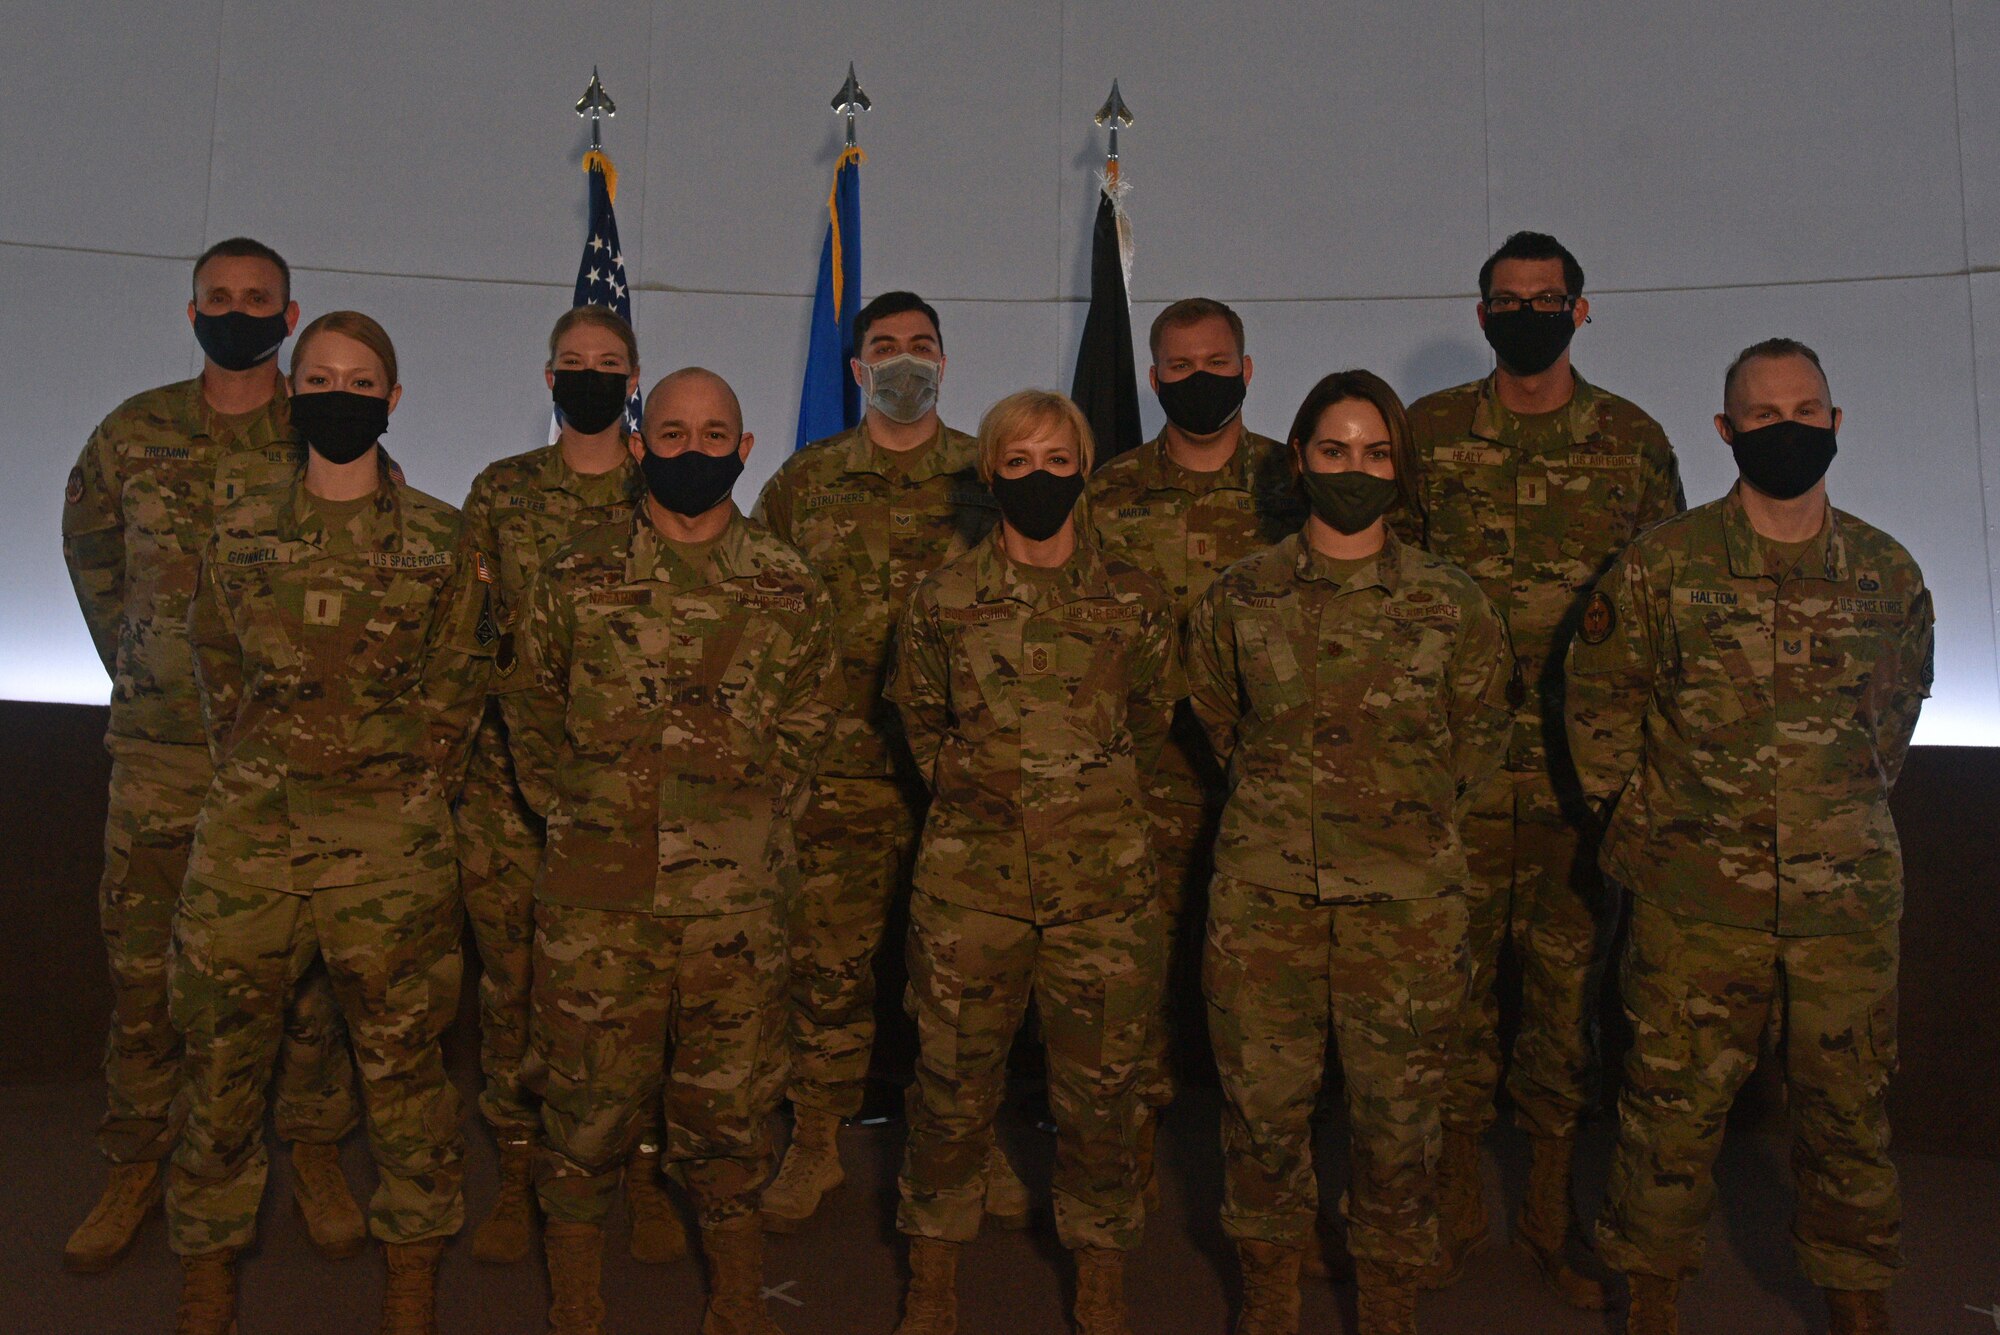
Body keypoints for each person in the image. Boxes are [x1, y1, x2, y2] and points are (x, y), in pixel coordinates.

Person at [1567, 339, 1931, 1335]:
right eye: (1761, 415)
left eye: (1803, 410)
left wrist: (1826, 818)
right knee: (1664, 1118)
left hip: (1842, 905)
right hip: (1693, 904)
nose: (1785, 429)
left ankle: (1857, 1302)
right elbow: (1599, 716)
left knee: (1848, 1119)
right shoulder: (1660, 566)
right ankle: (1649, 1300)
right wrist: (1650, 834)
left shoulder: (1884, 573)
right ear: (1724, 431)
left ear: (1834, 423)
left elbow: (1887, 728)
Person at [169, 311, 491, 1334]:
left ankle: (411, 1274)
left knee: (403, 1069)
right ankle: (208, 1270)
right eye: (320, 378)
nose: (338, 395)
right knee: (220, 1065)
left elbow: (458, 693)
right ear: (292, 395)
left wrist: (389, 792)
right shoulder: (238, 527)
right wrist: (266, 775)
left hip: (388, 847)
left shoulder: (444, 541)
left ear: (392, 402)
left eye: (360, 382)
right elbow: (217, 669)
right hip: (250, 843)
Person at [503, 367, 841, 1335]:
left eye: (715, 434)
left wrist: (754, 831)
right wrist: (580, 816)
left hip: (735, 907)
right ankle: (576, 1302)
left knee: (729, 1117)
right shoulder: (574, 572)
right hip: (596, 900)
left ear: (745, 450)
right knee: (580, 1112)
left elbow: (814, 724)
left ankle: (736, 1301)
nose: (692, 450)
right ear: (642, 441)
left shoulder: (786, 584)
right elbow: (528, 710)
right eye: (674, 431)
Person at [59, 237, 362, 1274]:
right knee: (144, 969)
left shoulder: (324, 426)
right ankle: (137, 1156)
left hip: (286, 758)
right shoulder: (132, 433)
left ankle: (313, 1146)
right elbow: (93, 555)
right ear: (192, 315)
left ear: (290, 315)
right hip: (159, 752)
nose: (238, 312)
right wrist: (145, 664)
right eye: (219, 298)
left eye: (258, 300)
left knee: (307, 972)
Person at [1187, 371, 1512, 1335]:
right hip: (1266, 903)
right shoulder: (1238, 597)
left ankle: (1389, 1309)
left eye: (1375, 453)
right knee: (1261, 1121)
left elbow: (1480, 735)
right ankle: (1271, 1303)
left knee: (1399, 1130)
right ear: (1299, 459)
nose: (1354, 470)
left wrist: (1396, 828)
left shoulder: (1453, 604)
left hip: (1407, 911)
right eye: (1334, 451)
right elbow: (1216, 719)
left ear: (1400, 467)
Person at [1405, 231, 1683, 1302]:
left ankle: (1550, 1210)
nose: (1526, 312)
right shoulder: (1427, 435)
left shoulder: (1631, 439)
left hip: (1583, 782)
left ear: (1579, 308)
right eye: (1506, 299)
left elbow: (1662, 612)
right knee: (1451, 996)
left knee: (1566, 1007)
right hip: (1459, 777)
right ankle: (1452, 1202)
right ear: (1482, 316)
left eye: (1545, 297)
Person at [887, 389, 1182, 1335]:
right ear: (989, 474)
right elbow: (923, 726)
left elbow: (1149, 720)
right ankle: (932, 1280)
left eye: (1058, 460)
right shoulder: (940, 600)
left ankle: (1100, 1280)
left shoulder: (1135, 597)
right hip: (970, 892)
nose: (1040, 479)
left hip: (1103, 893)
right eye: (1019, 462)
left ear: (1087, 469)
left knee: (1102, 1099)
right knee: (948, 1090)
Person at [753, 291, 1024, 1233]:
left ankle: (973, 1141)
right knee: (826, 967)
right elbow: (760, 615)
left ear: (945, 362)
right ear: (858, 369)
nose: (904, 362)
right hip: (840, 775)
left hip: (968, 776)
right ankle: (817, 1137)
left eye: (921, 347)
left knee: (966, 975)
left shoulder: (991, 477)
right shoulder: (806, 481)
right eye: (884, 348)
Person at [453, 306, 685, 1267]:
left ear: (636, 378)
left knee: (637, 993)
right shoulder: (501, 492)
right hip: (510, 794)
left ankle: (638, 1161)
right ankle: (519, 1165)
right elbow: (468, 635)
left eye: (611, 363)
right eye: (573, 363)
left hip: (635, 797)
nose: (591, 376)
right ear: (547, 377)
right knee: (514, 985)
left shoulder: (663, 483)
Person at [1088, 298, 1305, 1174]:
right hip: (1142, 786)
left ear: (1248, 370)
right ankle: (1129, 1168)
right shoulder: (1105, 494)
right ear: (1153, 378)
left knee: (1265, 1005)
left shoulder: (1297, 488)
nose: (1199, 379)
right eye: (1179, 368)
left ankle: (1259, 1181)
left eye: (1217, 362)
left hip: (1269, 788)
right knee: (1135, 986)